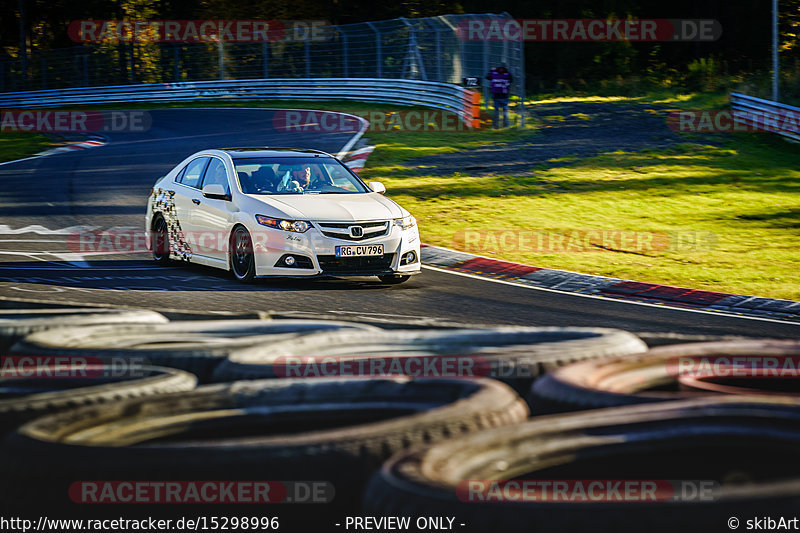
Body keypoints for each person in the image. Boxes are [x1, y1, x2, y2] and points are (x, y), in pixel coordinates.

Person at [486, 63, 513, 128]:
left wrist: (492, 70)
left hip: (496, 95)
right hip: (504, 95)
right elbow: (511, 80)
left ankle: (495, 125)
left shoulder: (493, 73)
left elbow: (487, 77)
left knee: (496, 111)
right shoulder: (508, 74)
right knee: (505, 111)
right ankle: (506, 125)